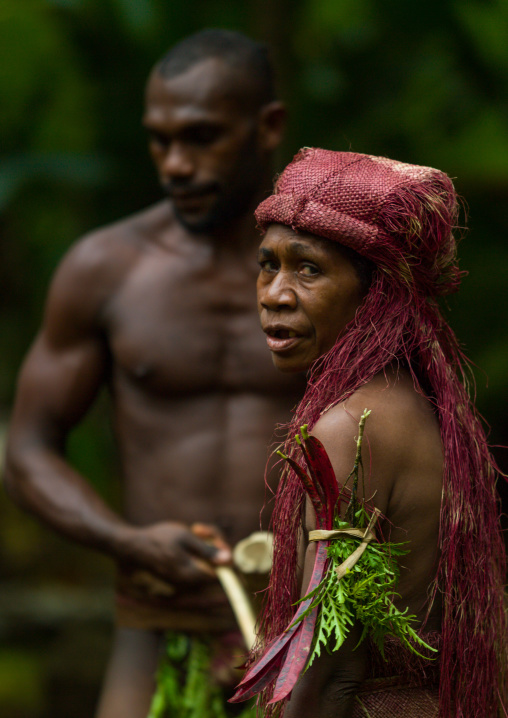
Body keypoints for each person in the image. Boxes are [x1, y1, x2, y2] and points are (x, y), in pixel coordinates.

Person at [3, 30, 304, 718]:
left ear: (269, 127)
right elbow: (26, 452)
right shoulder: (106, 269)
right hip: (157, 622)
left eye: (201, 138)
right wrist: (125, 541)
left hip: (314, 622)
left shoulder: (336, 277)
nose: (174, 163)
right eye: (160, 140)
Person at [231, 149, 507, 717]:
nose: (274, 294)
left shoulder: (346, 431)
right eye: (268, 264)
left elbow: (330, 673)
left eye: (308, 269)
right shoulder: (426, 408)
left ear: (377, 291)